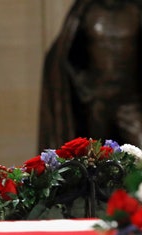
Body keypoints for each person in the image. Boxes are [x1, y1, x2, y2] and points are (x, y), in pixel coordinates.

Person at [40, 0, 142, 150]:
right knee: (96, 159)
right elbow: (63, 56)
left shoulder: (136, 10)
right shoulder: (85, 10)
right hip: (97, 101)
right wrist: (81, 86)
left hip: (128, 101)